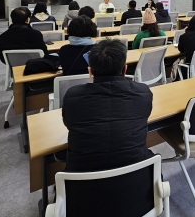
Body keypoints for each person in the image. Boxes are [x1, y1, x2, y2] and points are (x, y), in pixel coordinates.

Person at [62, 39, 153, 172]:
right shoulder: (143, 93)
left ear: (90, 71)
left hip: (81, 180)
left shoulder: (72, 96)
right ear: (125, 69)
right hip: (137, 178)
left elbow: (69, 123)